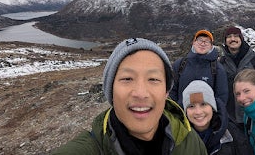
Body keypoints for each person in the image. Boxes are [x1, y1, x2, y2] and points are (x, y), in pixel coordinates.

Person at [51, 38, 207, 155]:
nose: (141, 93)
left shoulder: (190, 142)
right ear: (110, 91)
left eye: (153, 79)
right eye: (127, 79)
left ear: (166, 92)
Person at [182, 80, 253, 155]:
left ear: (212, 107)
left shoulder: (233, 135)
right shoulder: (178, 137)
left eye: (203, 104)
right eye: (191, 106)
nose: (198, 112)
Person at [220, 26, 255, 126]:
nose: (233, 39)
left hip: (254, 115)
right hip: (230, 118)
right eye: (229, 36)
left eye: (236, 36)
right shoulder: (221, 62)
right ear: (225, 41)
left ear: (241, 39)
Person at [170, 29, 228, 107]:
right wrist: (176, 110)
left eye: (207, 41)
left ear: (211, 46)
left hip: (205, 116)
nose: (203, 44)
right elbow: (171, 90)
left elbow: (221, 96)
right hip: (182, 115)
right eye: (200, 40)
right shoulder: (180, 64)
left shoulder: (217, 68)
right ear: (194, 43)